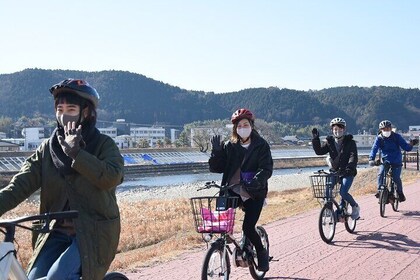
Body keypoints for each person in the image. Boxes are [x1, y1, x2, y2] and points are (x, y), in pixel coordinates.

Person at [0, 79, 124, 280]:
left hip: (92, 232)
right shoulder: (47, 149)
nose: (64, 114)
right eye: (60, 108)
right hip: (53, 232)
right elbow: (19, 186)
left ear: (85, 112)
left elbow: (111, 178)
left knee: (56, 278)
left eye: (71, 108)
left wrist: (77, 154)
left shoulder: (103, 145)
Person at [209, 108, 273, 272]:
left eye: (245, 124)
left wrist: (256, 182)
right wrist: (216, 153)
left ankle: (261, 252)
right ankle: (222, 246)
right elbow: (218, 168)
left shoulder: (261, 145)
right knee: (220, 222)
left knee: (248, 227)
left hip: (254, 191)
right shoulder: (229, 145)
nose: (242, 128)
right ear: (235, 128)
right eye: (239, 125)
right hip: (232, 189)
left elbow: (266, 169)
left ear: (251, 125)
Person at [311, 117, 360, 220]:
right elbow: (319, 151)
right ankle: (328, 209)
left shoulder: (350, 142)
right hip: (334, 172)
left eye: (340, 129)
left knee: (343, 192)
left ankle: (355, 206)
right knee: (327, 191)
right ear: (332, 130)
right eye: (335, 129)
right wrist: (315, 139)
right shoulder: (330, 142)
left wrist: (350, 167)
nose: (337, 131)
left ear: (344, 129)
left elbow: (353, 156)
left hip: (347, 172)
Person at [369, 120, 418, 202]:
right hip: (385, 161)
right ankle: (379, 190)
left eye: (388, 129)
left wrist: (411, 144)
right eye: (384, 129)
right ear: (380, 130)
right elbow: (374, 149)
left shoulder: (397, 137)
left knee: (396, 178)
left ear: (391, 129)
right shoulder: (379, 138)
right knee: (381, 174)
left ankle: (400, 193)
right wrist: (371, 159)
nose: (386, 131)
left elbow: (406, 147)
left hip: (396, 160)